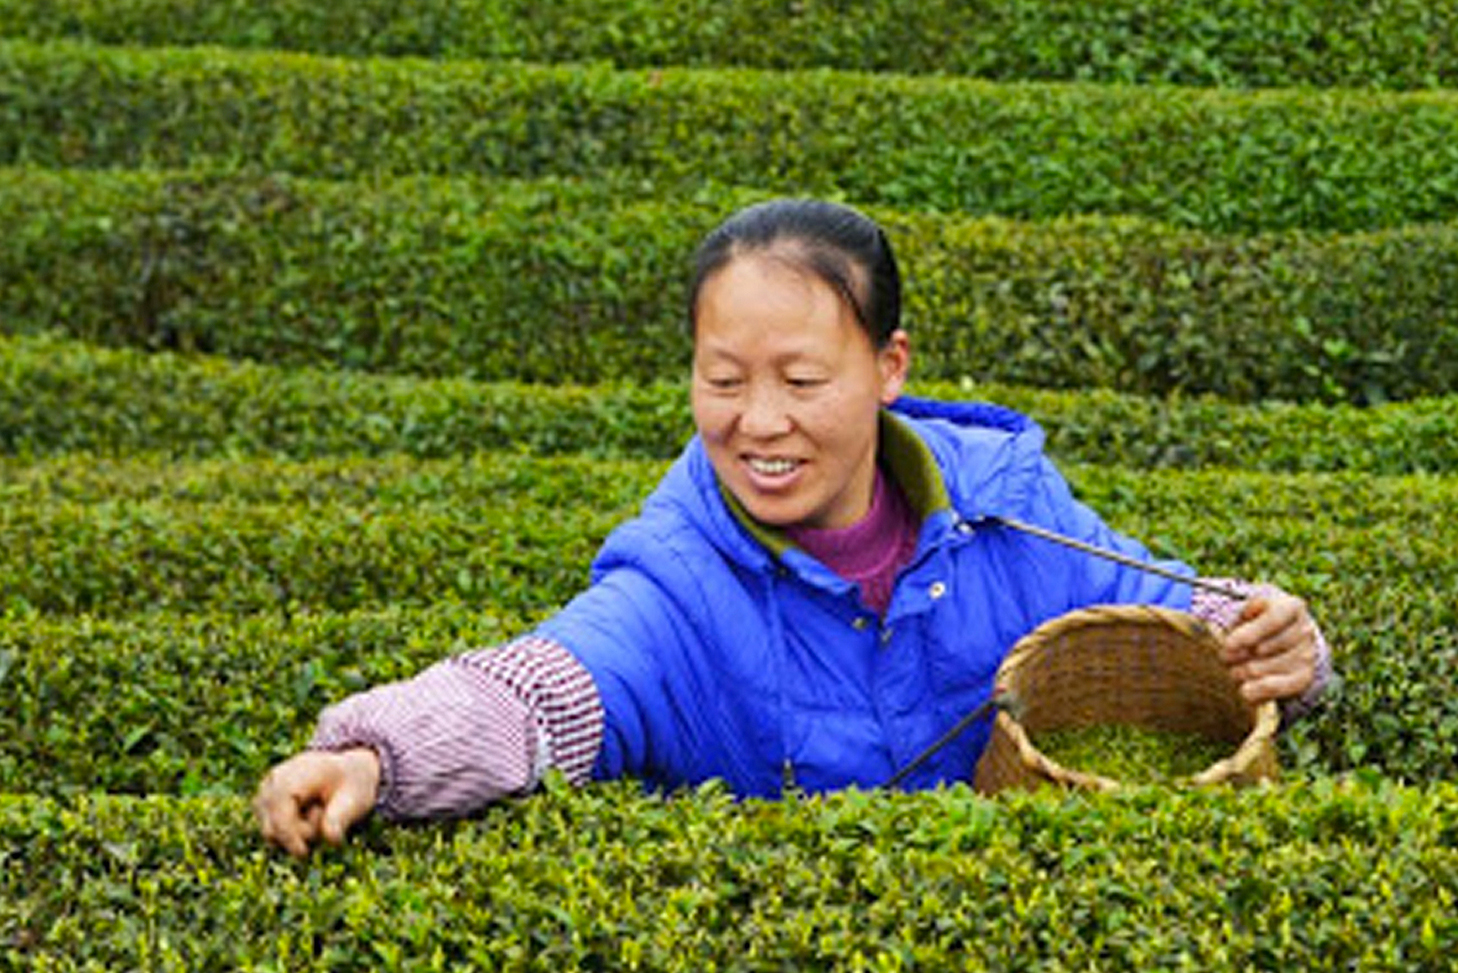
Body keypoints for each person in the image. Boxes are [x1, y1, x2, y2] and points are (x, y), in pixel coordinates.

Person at [255, 199, 1331, 857]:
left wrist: (1280, 638)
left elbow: (1171, 607)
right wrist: (374, 757)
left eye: (802, 380)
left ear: (889, 367)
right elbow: (546, 688)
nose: (758, 422)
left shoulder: (1006, 502)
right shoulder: (679, 578)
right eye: (723, 380)